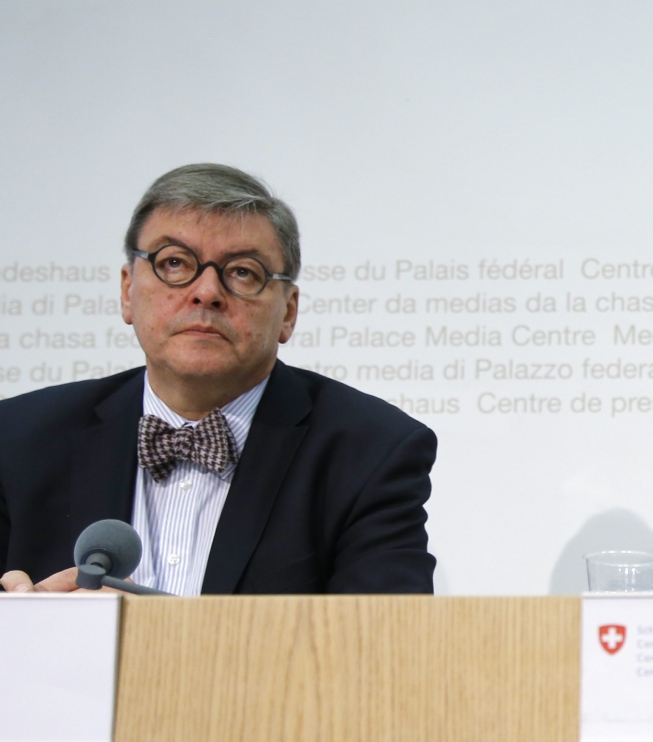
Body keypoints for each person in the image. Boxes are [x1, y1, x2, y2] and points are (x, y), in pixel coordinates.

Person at [0, 164, 436, 595]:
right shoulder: (17, 439)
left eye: (243, 271)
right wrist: (28, 627)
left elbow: (385, 650)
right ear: (127, 290)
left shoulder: (370, 451)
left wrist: (151, 636)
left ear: (288, 311)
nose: (206, 291)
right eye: (174, 263)